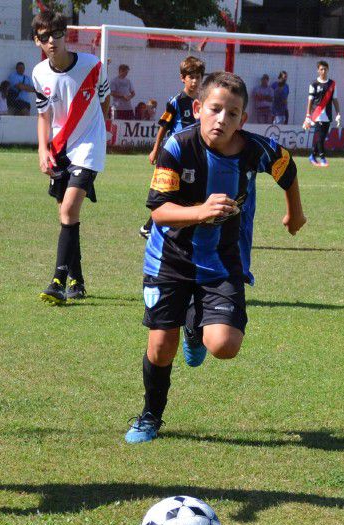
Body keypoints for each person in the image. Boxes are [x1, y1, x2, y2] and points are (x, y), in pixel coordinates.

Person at [124, 71, 305, 443]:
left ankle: (195, 322)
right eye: (215, 109)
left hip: (222, 260)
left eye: (233, 113)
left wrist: (295, 212)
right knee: (161, 347)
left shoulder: (255, 150)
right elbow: (159, 210)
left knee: (224, 346)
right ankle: (150, 416)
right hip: (169, 259)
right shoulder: (177, 147)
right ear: (198, 108)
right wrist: (200, 212)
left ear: (243, 120)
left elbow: (286, 167)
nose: (222, 119)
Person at [32, 9, 110, 304]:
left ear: (66, 35)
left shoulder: (93, 65)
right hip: (59, 149)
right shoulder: (39, 73)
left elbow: (105, 100)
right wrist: (42, 150)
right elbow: (43, 116)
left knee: (68, 211)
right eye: (44, 37)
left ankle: (57, 281)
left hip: (89, 148)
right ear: (36, 41)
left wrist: (99, 133)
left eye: (56, 34)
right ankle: (77, 281)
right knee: (67, 215)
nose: (51, 41)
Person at [140, 56, 205, 239]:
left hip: (194, 152)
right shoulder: (176, 101)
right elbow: (164, 126)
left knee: (187, 190)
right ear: (182, 78)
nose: (195, 81)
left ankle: (153, 227)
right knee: (169, 191)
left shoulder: (203, 102)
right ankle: (150, 227)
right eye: (191, 77)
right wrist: (155, 149)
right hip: (175, 152)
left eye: (198, 77)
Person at [303, 60, 340, 167]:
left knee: (322, 138)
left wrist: (338, 114)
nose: (323, 71)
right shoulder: (314, 84)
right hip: (317, 115)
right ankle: (323, 158)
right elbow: (310, 100)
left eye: (325, 69)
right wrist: (308, 116)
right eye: (321, 69)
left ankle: (312, 156)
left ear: (328, 70)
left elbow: (335, 100)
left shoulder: (332, 84)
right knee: (320, 137)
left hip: (327, 115)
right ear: (318, 71)